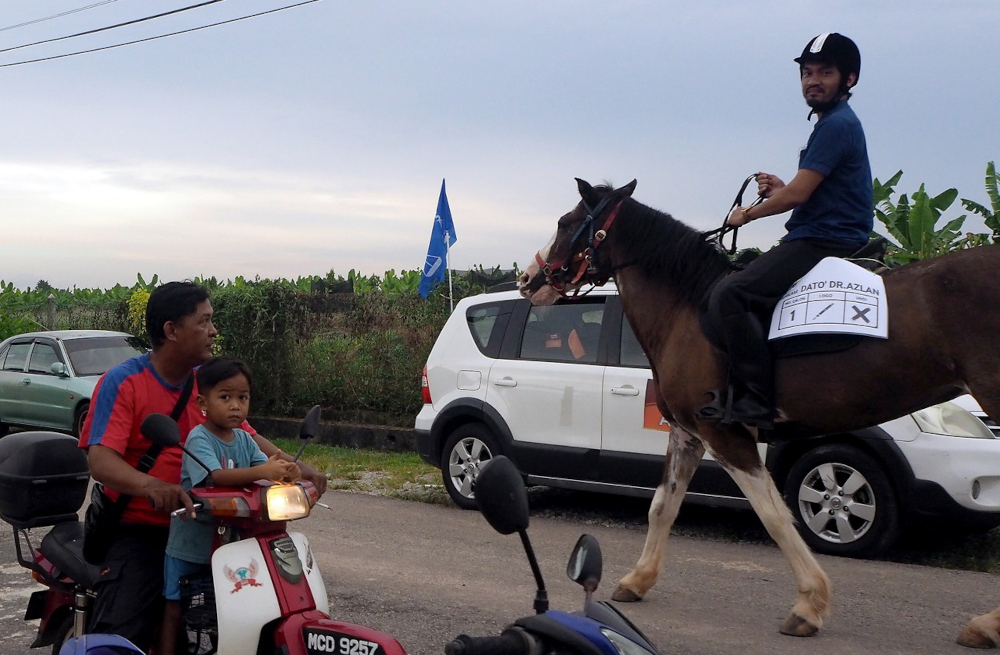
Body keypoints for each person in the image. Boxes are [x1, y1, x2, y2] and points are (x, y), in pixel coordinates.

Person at [79, 281, 329, 653]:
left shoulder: (208, 383)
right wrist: (151, 487)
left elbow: (244, 432)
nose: (214, 331)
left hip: (215, 526)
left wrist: (295, 465)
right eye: (205, 321)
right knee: (126, 631)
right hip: (142, 529)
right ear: (171, 330)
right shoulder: (125, 381)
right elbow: (101, 461)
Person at [700, 33, 874, 429]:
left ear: (849, 78)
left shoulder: (836, 126)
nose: (813, 80)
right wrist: (781, 190)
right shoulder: (832, 123)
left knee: (732, 294)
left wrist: (748, 214)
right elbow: (808, 191)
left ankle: (756, 403)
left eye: (824, 73)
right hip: (821, 231)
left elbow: (799, 193)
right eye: (807, 73)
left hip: (824, 240)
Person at [159, 357, 300, 655]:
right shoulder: (199, 438)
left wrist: (286, 473)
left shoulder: (244, 440)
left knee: (227, 609)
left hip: (230, 547)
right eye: (225, 397)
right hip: (190, 544)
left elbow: (267, 470)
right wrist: (264, 471)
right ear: (203, 402)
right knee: (175, 607)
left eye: (242, 397)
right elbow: (215, 476)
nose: (235, 405)